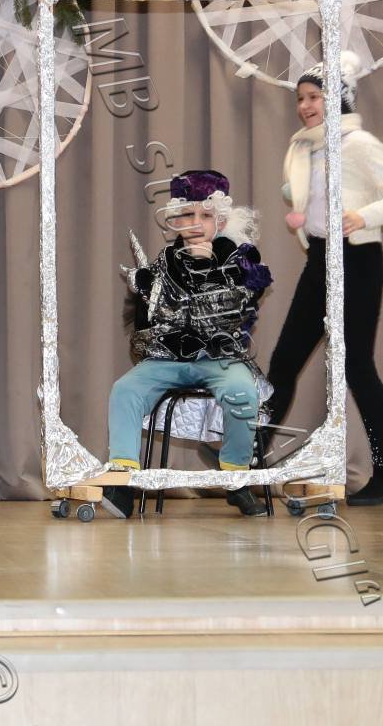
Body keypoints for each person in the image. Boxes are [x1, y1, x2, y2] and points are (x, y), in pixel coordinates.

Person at [265, 53, 383, 506]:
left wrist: (362, 215)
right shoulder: (304, 147)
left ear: (339, 99)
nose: (305, 106)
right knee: (284, 362)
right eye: (301, 99)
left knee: (356, 366)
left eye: (315, 97)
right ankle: (246, 461)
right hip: (320, 260)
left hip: (358, 260)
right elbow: (301, 196)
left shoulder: (361, 144)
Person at [101, 170, 273, 519]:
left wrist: (206, 271)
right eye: (187, 215)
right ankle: (123, 479)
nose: (195, 224)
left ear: (219, 220)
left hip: (220, 359)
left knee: (242, 393)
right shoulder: (164, 262)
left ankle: (236, 477)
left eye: (205, 215)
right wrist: (151, 296)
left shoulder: (241, 261)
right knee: (125, 390)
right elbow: (149, 321)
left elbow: (232, 317)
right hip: (167, 358)